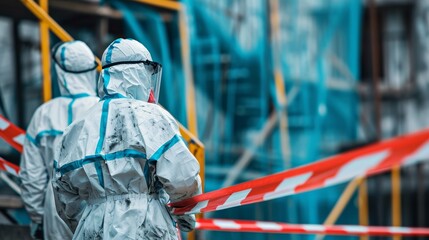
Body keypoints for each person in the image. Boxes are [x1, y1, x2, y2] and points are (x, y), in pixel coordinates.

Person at [53, 38, 201, 239]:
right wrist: (186, 215)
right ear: (137, 74)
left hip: (92, 226)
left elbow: (62, 192)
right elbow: (183, 178)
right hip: (145, 224)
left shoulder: (77, 128)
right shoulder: (153, 117)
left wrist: (92, 217)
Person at [19, 40, 100, 240]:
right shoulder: (104, 109)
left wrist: (38, 218)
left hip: (55, 207)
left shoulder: (44, 114)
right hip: (99, 204)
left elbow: (32, 176)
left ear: (60, 73)